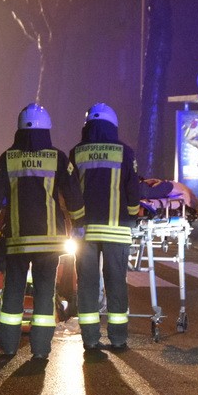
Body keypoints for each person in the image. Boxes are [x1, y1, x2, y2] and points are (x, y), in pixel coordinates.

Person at [0, 103, 85, 360]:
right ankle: (40, 350)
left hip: (17, 239)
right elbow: (72, 194)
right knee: (44, 294)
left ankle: (7, 347)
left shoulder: (7, 158)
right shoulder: (58, 158)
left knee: (12, 293)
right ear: (47, 129)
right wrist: (80, 223)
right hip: (49, 242)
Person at [70, 103, 141, 351]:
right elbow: (133, 191)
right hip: (117, 228)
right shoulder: (125, 152)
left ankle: (90, 337)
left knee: (87, 282)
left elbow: (70, 192)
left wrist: (74, 221)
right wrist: (133, 217)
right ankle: (119, 337)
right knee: (116, 282)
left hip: (85, 231)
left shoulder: (77, 151)